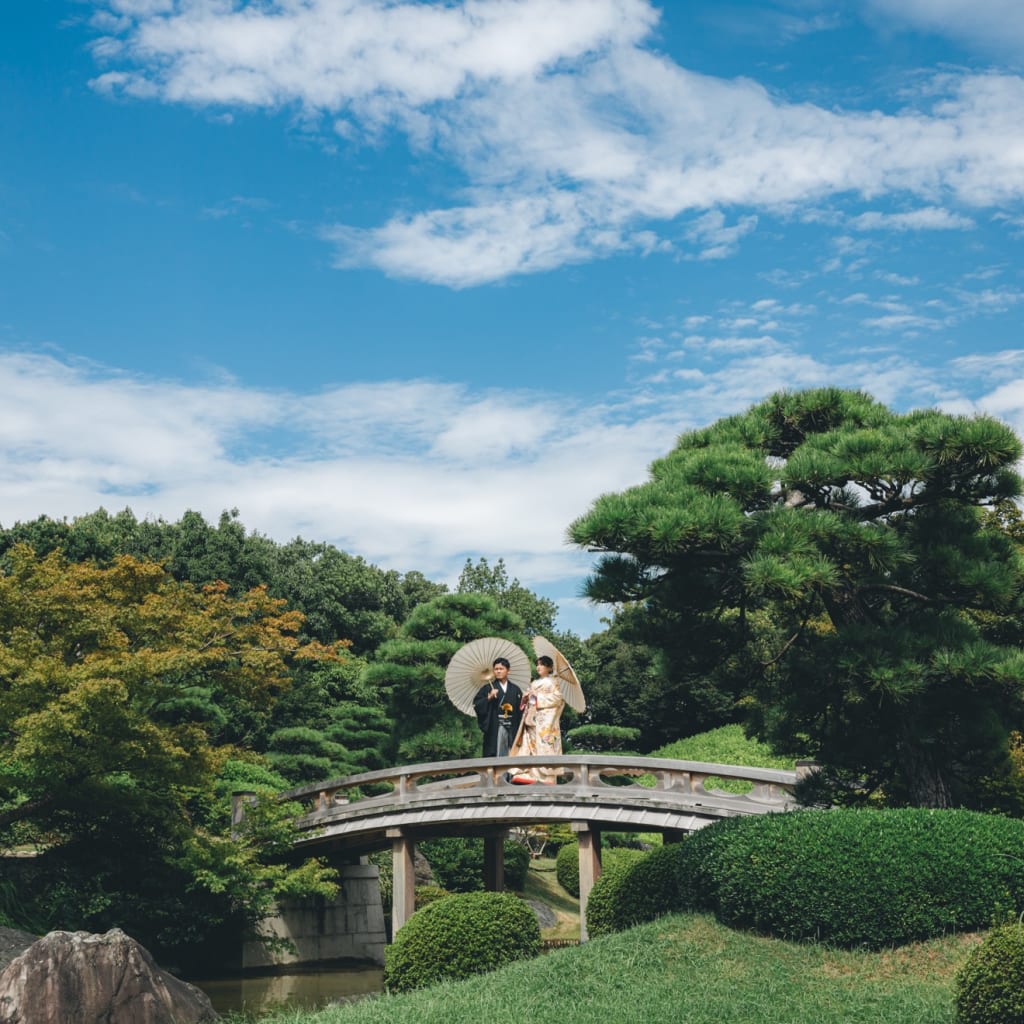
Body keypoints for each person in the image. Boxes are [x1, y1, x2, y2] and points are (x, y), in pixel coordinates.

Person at [510, 655, 566, 784]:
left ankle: (546, 777)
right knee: (531, 746)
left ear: (549, 667)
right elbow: (532, 702)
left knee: (544, 747)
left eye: (542, 664)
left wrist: (538, 696)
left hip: (545, 721)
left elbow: (558, 699)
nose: (538, 667)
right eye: (538, 664)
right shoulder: (534, 683)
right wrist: (526, 699)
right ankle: (531, 775)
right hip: (532, 718)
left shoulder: (554, 682)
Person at [473, 657, 524, 757]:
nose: (498, 671)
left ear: (508, 670)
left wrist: (525, 701)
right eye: (496, 669)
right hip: (496, 726)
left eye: (501, 669)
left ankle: (511, 772)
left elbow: (521, 710)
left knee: (513, 752)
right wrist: (488, 698)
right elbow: (477, 705)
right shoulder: (487, 688)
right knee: (497, 752)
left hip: (512, 726)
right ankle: (498, 773)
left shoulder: (515, 689)